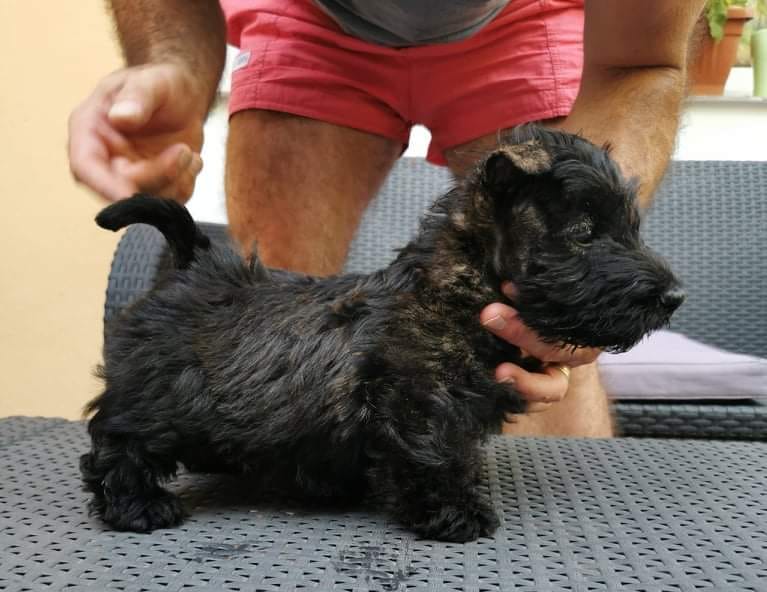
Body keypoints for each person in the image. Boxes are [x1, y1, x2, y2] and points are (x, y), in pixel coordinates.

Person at [68, 0, 706, 438]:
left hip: (518, 16)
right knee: (262, 334)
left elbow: (640, 60)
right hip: (315, 17)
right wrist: (174, 63)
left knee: (534, 341)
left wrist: (578, 265)